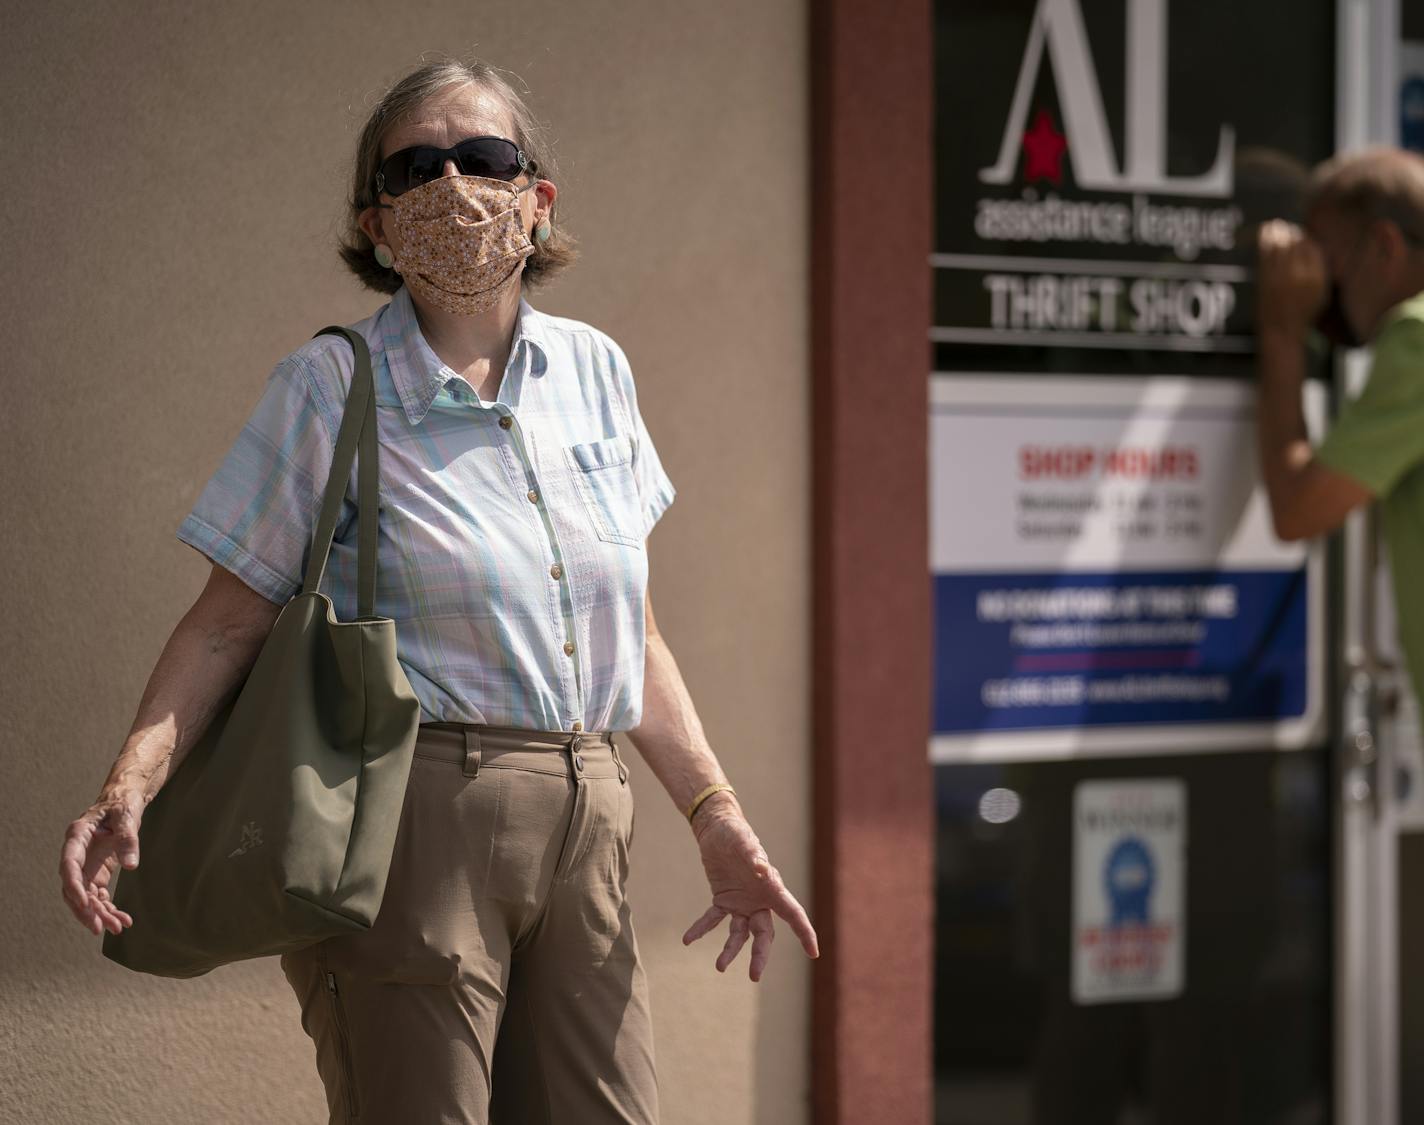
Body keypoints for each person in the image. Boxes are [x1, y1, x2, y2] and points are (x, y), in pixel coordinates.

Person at [57, 55, 819, 1125]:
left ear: (535, 196)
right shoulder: (331, 386)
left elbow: (626, 627)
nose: (451, 186)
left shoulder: (595, 369)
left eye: (483, 157)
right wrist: (126, 786)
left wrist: (714, 811)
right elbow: (228, 623)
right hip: (415, 812)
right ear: (374, 223)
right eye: (413, 168)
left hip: (589, 812)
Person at [1255, 146, 1424, 711]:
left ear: (1385, 246)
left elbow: (1300, 509)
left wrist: (1281, 330)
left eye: (1324, 263)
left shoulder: (1417, 339)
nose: (1318, 288)